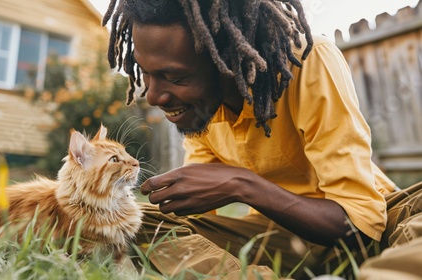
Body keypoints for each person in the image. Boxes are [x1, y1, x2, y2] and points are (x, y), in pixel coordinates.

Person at [102, 0, 422, 279]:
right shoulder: (200, 111)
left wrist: (242, 185)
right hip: (280, 239)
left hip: (377, 228)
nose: (154, 96)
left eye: (176, 77)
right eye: (145, 72)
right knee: (136, 224)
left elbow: (359, 225)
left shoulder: (310, 60)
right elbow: (199, 224)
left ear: (228, 62)